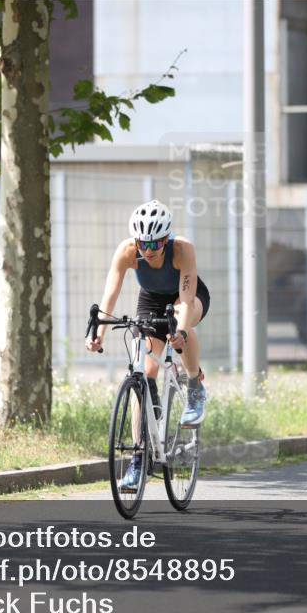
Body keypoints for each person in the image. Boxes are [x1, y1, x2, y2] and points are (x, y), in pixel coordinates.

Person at [85, 199, 210, 491]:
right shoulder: (128, 251)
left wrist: (178, 331)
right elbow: (110, 295)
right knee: (145, 366)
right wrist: (98, 334)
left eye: (155, 244)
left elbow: (188, 298)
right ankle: (139, 458)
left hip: (186, 296)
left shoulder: (182, 249)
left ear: (166, 239)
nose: (148, 250)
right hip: (151, 298)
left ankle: (194, 386)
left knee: (183, 319)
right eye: (143, 243)